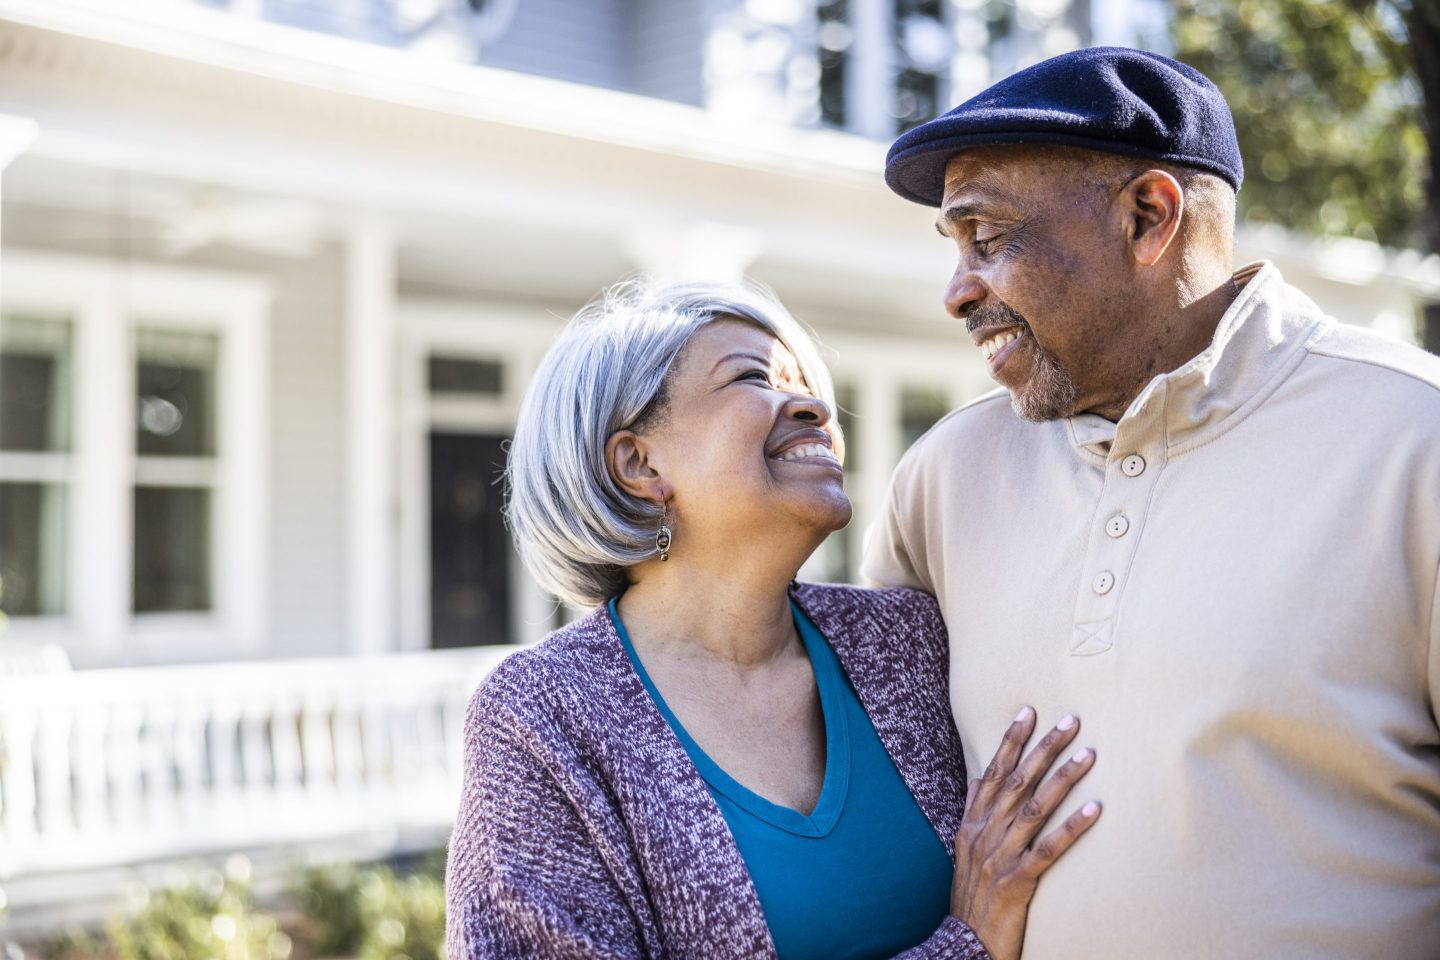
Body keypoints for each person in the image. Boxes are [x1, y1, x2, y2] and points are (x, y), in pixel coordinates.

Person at [867, 45, 1440, 959]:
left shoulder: (1417, 438)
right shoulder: (941, 480)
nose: (956, 292)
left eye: (989, 238)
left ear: (1147, 217)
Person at [445, 281, 1102, 960]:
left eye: (807, 383)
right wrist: (967, 945)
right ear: (638, 463)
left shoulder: (907, 643)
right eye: (754, 377)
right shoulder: (542, 716)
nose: (817, 407)